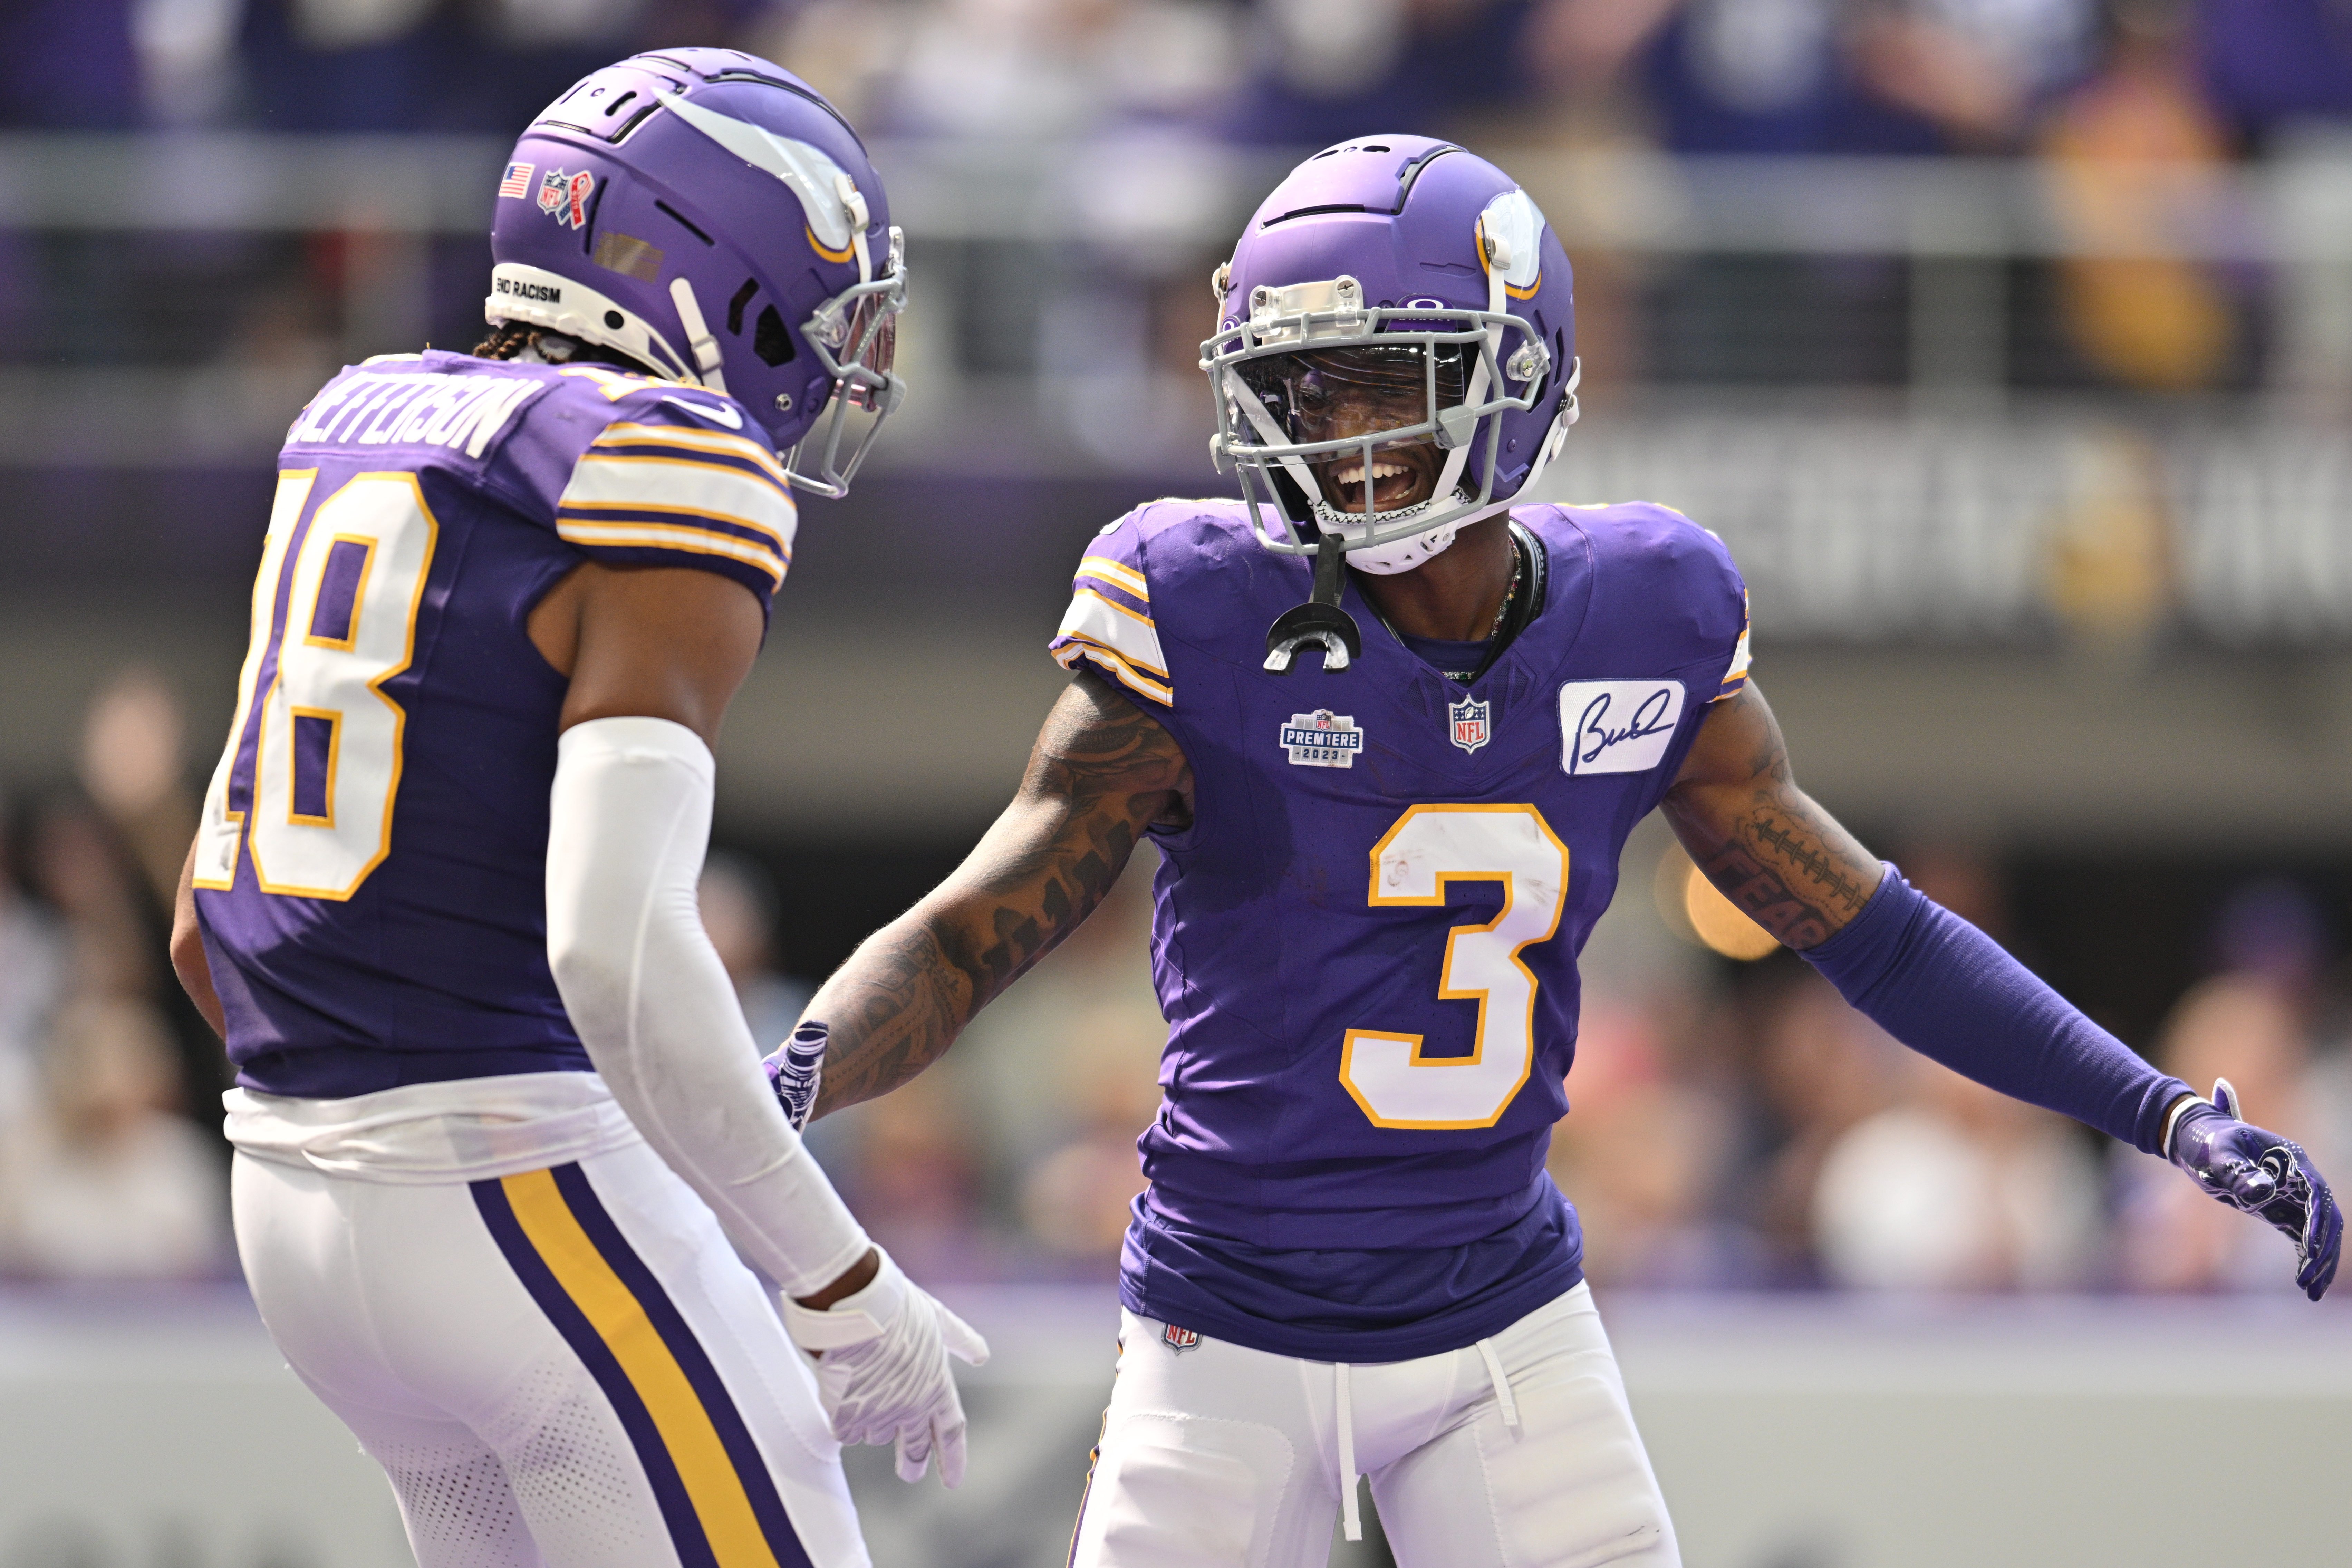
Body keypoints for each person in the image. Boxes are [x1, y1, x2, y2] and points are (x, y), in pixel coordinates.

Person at [789, 135, 2342, 1567]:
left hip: (1502, 1331)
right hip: (1220, 1333)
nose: (1328, 431)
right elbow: (971, 931)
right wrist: (770, 1096)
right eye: (1298, 387)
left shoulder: (1645, 612)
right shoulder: (1198, 607)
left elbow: (1869, 929)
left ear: (1515, 370)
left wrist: (2152, 1110)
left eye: (1376, 380)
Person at [167, 48, 981, 1568]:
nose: (832, 357)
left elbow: (201, 935)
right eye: (822, 307)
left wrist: (364, 1127)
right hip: (510, 1190)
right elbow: (616, 955)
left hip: (288, 1196)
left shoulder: (355, 415)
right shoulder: (666, 461)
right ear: (718, 268)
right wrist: (837, 1275)